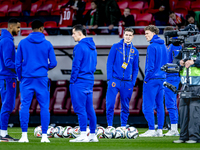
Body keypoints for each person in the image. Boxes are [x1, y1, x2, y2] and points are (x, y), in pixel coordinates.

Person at [16, 20, 57, 143]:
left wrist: (20, 77)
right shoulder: (47, 44)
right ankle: (44, 136)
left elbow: (18, 64)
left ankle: (24, 136)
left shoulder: (23, 43)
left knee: (24, 106)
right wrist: (44, 68)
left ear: (31, 28)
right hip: (41, 79)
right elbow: (54, 63)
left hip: (26, 79)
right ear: (42, 29)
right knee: (44, 107)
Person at [69, 24, 98, 142]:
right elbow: (95, 64)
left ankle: (82, 135)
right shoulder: (93, 47)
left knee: (80, 108)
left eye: (73, 33)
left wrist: (72, 81)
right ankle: (92, 135)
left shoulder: (79, 47)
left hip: (79, 80)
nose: (72, 35)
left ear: (80, 33)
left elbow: (76, 65)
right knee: (89, 108)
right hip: (89, 79)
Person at [106, 28, 139, 130]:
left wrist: (132, 82)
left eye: (130, 35)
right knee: (110, 103)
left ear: (132, 37)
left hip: (127, 83)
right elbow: (109, 63)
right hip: (115, 80)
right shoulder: (116, 47)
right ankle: (110, 126)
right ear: (123, 35)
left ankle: (123, 126)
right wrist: (109, 79)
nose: (128, 37)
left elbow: (135, 68)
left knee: (125, 105)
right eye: (126, 35)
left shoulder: (135, 51)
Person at [139, 25, 167, 137]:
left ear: (153, 33)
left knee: (147, 105)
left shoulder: (151, 47)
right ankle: (160, 130)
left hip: (152, 79)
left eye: (147, 33)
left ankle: (151, 129)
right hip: (162, 79)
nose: (145, 35)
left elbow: (150, 66)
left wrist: (146, 79)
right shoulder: (164, 46)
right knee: (160, 105)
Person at [173, 32, 200, 143]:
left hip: (197, 85)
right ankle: (183, 136)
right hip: (185, 85)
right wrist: (180, 63)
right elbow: (175, 60)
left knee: (194, 112)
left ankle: (194, 137)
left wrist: (194, 61)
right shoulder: (184, 51)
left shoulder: (198, 51)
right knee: (183, 111)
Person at [0, 18, 20, 142]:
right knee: (7, 105)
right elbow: (8, 62)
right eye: (17, 27)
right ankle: (3, 134)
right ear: (11, 26)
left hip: (6, 78)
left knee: (7, 105)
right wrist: (21, 65)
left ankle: (3, 133)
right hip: (7, 78)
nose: (18, 30)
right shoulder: (7, 41)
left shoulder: (5, 39)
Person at [163, 26, 182, 136]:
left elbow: (176, 63)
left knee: (171, 103)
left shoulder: (175, 46)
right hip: (169, 76)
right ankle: (173, 127)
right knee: (169, 102)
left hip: (172, 77)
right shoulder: (171, 46)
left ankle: (174, 128)